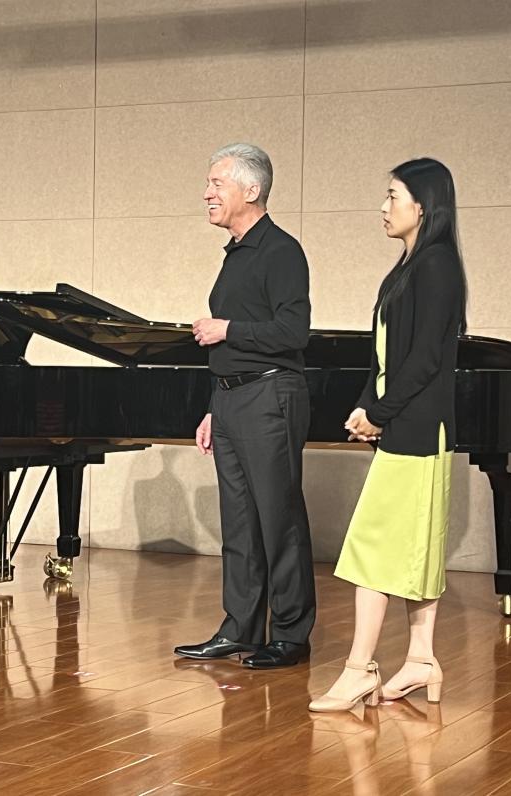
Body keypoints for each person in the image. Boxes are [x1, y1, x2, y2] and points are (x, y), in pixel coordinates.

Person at [308, 158, 467, 715]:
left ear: (423, 205)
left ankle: (359, 670)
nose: (383, 206)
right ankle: (420, 659)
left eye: (393, 196)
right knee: (410, 549)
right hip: (405, 425)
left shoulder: (437, 266)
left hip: (419, 431)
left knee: (372, 547)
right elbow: (384, 356)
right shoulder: (408, 267)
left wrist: (380, 413)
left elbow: (424, 361)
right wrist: (364, 404)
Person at [173, 143, 316, 670]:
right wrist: (215, 407)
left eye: (217, 184)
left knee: (279, 519)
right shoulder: (235, 253)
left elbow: (293, 331)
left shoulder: (281, 251)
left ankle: (291, 635)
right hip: (232, 400)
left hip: (270, 397)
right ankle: (240, 628)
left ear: (251, 190)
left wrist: (227, 329)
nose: (207, 193)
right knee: (238, 522)